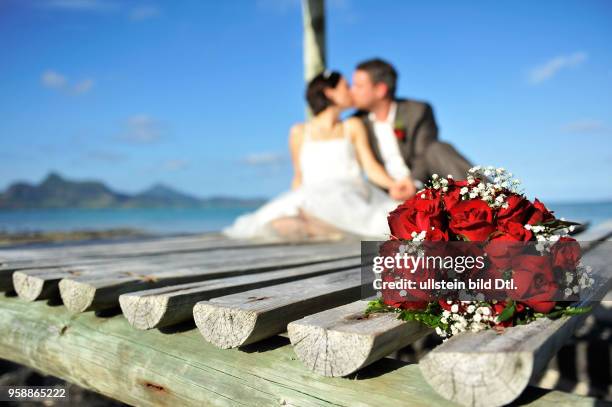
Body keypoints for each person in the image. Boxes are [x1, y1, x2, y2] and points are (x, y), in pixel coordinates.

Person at [223, 70, 415, 240]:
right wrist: (295, 196)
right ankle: (315, 224)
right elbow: (299, 175)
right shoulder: (299, 132)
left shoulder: (352, 126)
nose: (351, 91)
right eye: (346, 87)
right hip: (312, 192)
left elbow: (370, 166)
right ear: (329, 93)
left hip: (349, 192)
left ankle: (320, 227)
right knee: (278, 215)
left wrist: (394, 184)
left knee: (377, 219)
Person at [351, 58, 472, 190]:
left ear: (380, 90)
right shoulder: (356, 122)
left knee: (438, 149)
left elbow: (424, 154)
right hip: (385, 191)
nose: (352, 91)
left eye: (358, 86)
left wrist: (412, 182)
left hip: (423, 184)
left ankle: (484, 199)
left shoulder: (417, 111)